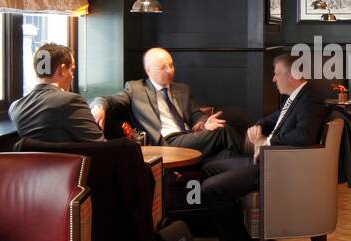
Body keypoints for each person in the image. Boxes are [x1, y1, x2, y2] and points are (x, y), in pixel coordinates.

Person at [199, 52, 327, 241]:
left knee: (211, 188)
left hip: (278, 168)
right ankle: (239, 240)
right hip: (270, 161)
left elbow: (305, 136)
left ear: (293, 75)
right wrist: (259, 125)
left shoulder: (310, 99)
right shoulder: (297, 97)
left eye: (277, 74)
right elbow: (274, 119)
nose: (274, 79)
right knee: (211, 168)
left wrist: (267, 141)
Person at [90, 47, 240, 161]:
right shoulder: (136, 89)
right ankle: (257, 158)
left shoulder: (182, 90)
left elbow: (197, 115)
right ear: (148, 70)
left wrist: (205, 122)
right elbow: (109, 100)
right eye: (163, 67)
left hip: (187, 138)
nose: (170, 70)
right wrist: (98, 107)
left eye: (171, 65)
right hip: (165, 143)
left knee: (226, 153)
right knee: (223, 131)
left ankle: (234, 177)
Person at [7, 42, 104, 143]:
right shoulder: (71, 101)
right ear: (62, 70)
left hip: (34, 159)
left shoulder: (15, 108)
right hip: (75, 158)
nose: (72, 76)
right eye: (72, 70)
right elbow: (99, 146)